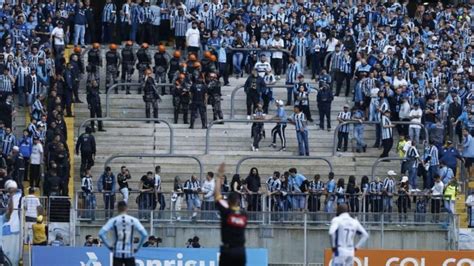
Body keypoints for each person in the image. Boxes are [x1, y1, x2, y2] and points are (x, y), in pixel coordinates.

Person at [214, 163, 247, 266]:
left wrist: (219, 176)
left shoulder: (226, 211)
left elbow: (217, 195)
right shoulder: (244, 215)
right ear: (238, 201)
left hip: (228, 250)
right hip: (241, 251)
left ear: (228, 201)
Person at [99, 201, 148, 266]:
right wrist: (138, 247)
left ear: (117, 208)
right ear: (127, 208)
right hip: (129, 252)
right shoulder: (133, 220)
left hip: (117, 252)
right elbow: (144, 234)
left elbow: (101, 233)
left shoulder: (114, 220)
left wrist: (109, 246)